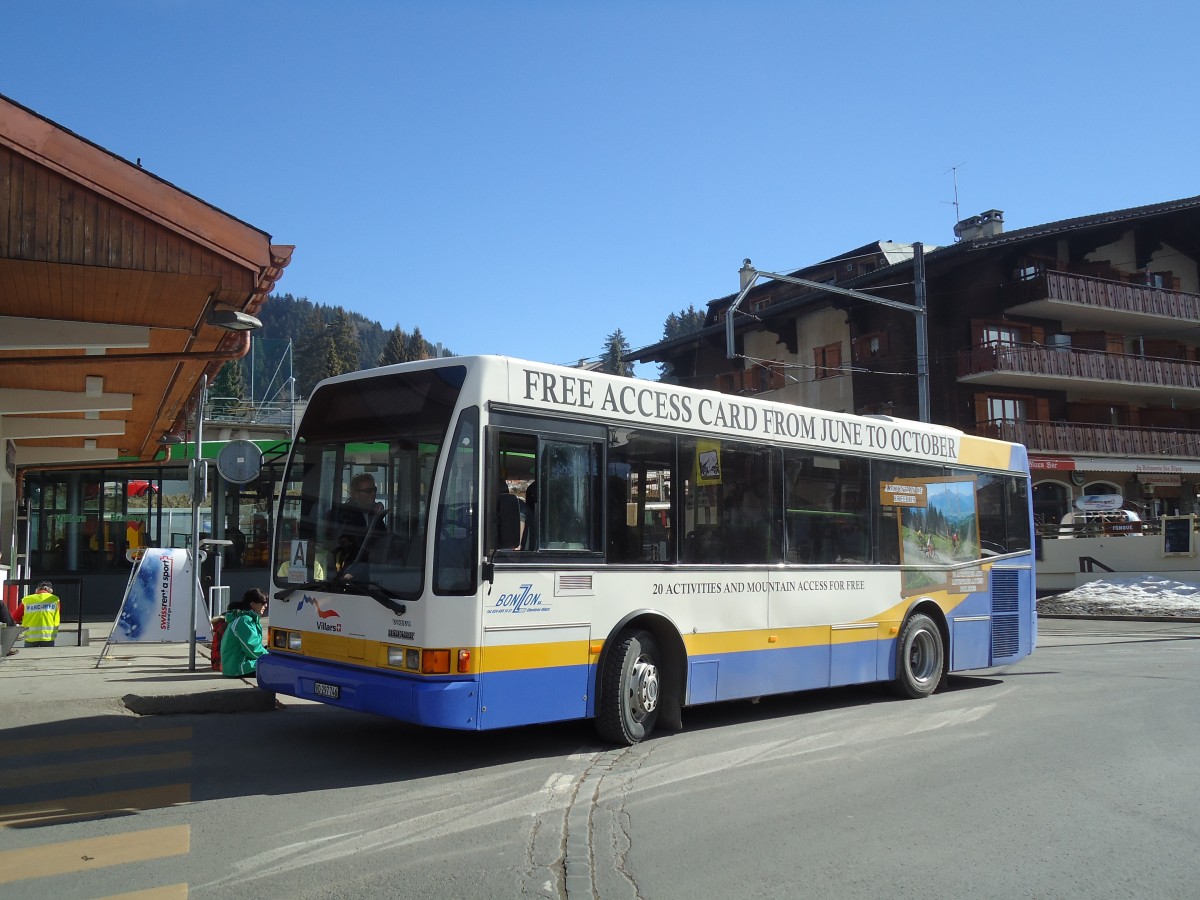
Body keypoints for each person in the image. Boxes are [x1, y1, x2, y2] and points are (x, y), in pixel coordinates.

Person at [328, 473, 388, 573]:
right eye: (368, 491)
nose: (373, 494)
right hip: (347, 569)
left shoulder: (372, 513)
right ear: (355, 494)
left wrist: (378, 517)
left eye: (374, 490)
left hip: (369, 569)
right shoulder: (343, 514)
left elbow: (381, 538)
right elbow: (355, 542)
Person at [221, 587, 269, 677]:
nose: (266, 606)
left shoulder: (249, 619)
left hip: (239, 665)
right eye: (263, 603)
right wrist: (271, 657)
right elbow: (252, 650)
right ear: (253, 604)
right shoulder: (244, 621)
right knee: (278, 667)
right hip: (238, 667)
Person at [22, 581, 61, 647]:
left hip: (30, 637)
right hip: (48, 636)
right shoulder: (55, 600)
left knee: (29, 656)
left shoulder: (26, 600)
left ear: (37, 590)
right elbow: (57, 614)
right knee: (47, 656)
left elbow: (16, 617)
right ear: (50, 591)